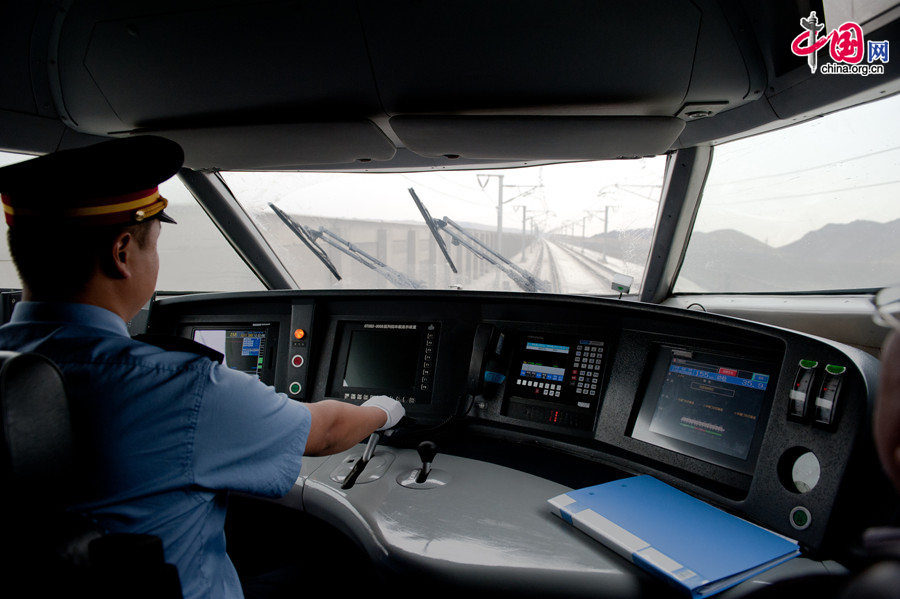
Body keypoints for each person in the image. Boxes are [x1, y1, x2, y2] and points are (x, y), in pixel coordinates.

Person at [0, 135, 405, 599]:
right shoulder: (178, 387)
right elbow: (327, 432)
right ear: (122, 253)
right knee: (338, 571)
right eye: (153, 244)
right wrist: (385, 410)